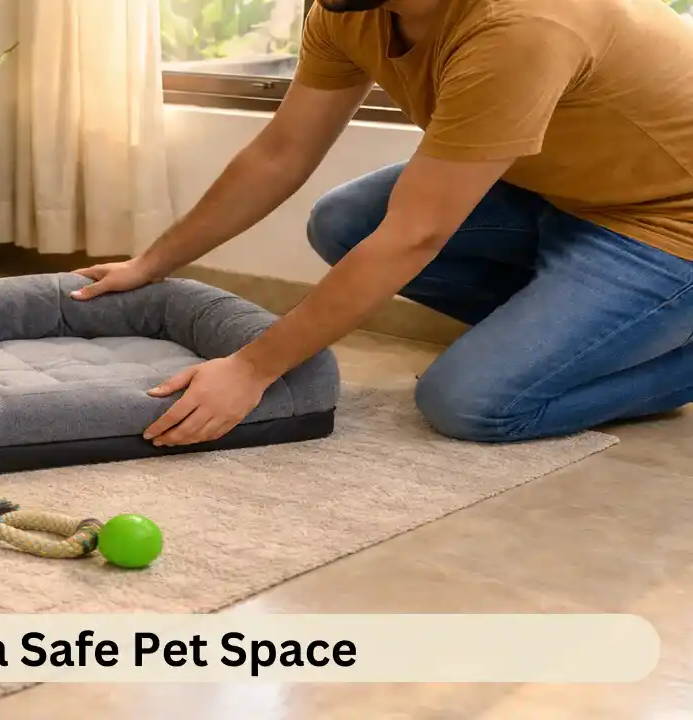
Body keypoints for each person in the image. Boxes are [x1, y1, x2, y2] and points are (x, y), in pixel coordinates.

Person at [74, 0, 693, 448]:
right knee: (345, 221)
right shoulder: (348, 7)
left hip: (670, 222)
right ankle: (581, 340)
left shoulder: (523, 23)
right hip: (559, 193)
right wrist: (151, 263)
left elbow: (415, 234)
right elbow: (280, 154)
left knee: (472, 402)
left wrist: (252, 367)